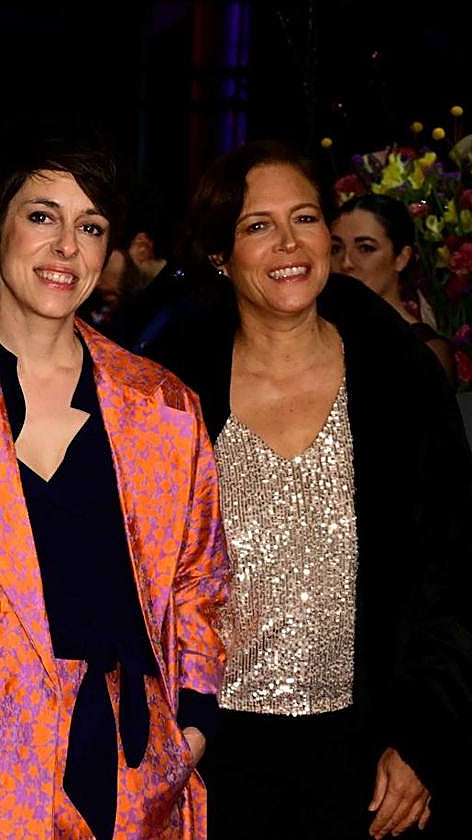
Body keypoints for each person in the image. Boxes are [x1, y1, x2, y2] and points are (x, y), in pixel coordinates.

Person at [0, 128, 229, 838]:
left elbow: (200, 575)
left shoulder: (163, 406)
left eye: (90, 227)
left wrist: (193, 721)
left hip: (129, 760)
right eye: (42, 216)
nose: (66, 246)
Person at [149, 139, 472, 839]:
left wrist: (423, 737)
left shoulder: (402, 380)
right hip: (210, 758)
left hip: (369, 763)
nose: (289, 243)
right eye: (258, 225)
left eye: (304, 218)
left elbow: (453, 573)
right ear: (220, 252)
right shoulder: (169, 397)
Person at [330, 193, 458, 386]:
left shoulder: (424, 349)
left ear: (401, 258)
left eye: (365, 248)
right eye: (336, 249)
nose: (346, 262)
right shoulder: (319, 336)